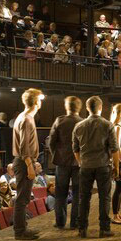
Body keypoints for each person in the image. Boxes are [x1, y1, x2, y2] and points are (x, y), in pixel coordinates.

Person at [73, 95, 121, 238]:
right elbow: (114, 148)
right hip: (103, 165)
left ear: (87, 108)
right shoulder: (107, 125)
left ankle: (82, 228)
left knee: (84, 198)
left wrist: (81, 162)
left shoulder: (79, 126)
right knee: (104, 198)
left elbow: (75, 149)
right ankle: (104, 229)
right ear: (100, 107)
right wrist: (116, 167)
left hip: (85, 166)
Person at [11, 87, 43, 240]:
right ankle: (20, 231)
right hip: (24, 162)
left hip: (24, 161)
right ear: (36, 102)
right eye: (40, 99)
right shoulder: (26, 119)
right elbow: (24, 147)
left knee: (23, 198)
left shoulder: (24, 117)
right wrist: (30, 165)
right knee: (22, 199)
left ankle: (22, 228)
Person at [46, 95, 82, 230]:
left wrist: (56, 154)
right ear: (79, 107)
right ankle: (75, 222)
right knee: (78, 194)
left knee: (61, 193)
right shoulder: (83, 122)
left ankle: (60, 222)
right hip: (79, 163)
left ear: (66, 107)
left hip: (62, 162)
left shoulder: (59, 121)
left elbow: (51, 141)